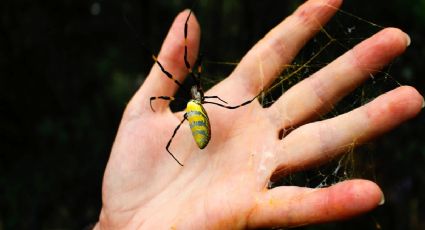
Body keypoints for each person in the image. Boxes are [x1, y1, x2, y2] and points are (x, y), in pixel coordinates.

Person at [93, 0, 423, 228]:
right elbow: (202, 102)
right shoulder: (199, 106)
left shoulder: (195, 107)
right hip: (198, 120)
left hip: (198, 121)